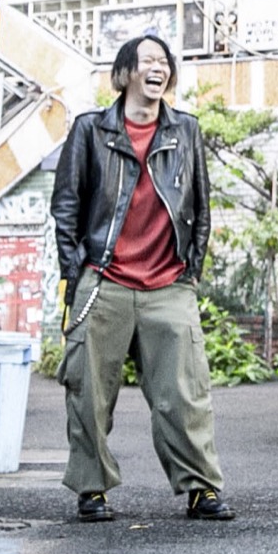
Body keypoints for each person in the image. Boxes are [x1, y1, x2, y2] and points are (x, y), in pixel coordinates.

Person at [50, 33, 234, 522]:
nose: (159, 68)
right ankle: (91, 488)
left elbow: (201, 208)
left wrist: (190, 272)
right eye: (148, 60)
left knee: (186, 394)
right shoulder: (91, 130)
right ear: (125, 72)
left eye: (164, 61)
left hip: (169, 282)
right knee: (88, 392)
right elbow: (66, 205)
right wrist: (76, 272)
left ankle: (200, 488)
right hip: (104, 278)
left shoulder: (186, 131)